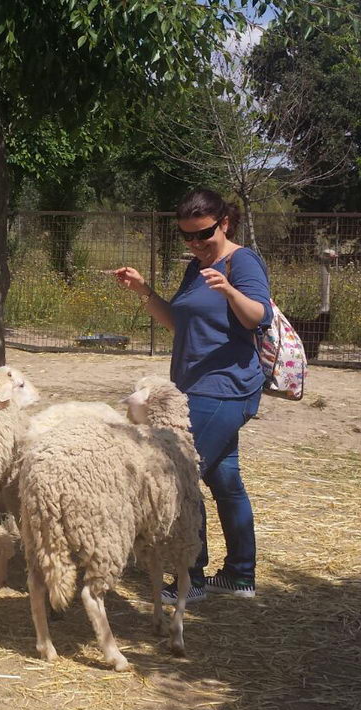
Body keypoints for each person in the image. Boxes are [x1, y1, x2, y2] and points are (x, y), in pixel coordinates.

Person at [112, 188, 272, 604]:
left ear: (224, 223)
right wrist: (144, 291)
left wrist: (230, 292)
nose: (196, 244)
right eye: (187, 237)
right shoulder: (196, 266)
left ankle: (190, 578)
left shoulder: (242, 260)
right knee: (225, 480)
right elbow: (178, 325)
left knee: (179, 479)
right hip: (192, 388)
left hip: (224, 388)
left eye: (203, 234)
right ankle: (239, 575)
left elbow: (259, 316)